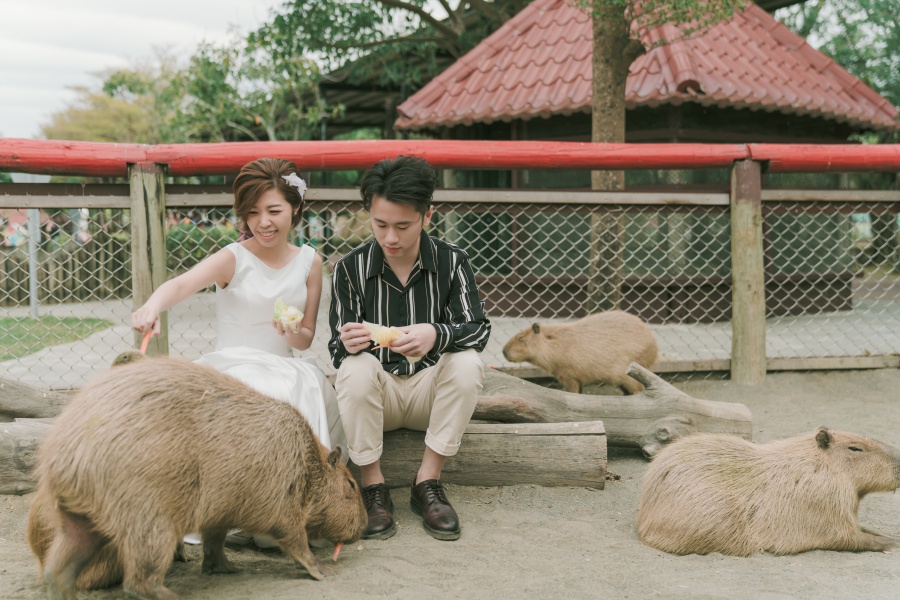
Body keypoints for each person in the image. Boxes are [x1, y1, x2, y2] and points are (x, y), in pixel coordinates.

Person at [132, 158, 346, 546]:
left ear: (295, 209)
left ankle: (283, 519)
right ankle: (230, 515)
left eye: (273, 210)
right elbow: (180, 285)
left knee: (299, 390)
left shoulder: (310, 263)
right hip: (233, 364)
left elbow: (305, 339)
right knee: (251, 394)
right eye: (252, 212)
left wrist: (293, 329)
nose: (263, 222)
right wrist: (152, 306)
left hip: (284, 363)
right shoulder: (234, 257)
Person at [329, 155, 491, 541]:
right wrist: (346, 342)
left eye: (403, 226)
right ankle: (372, 486)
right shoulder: (349, 268)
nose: (390, 238)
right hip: (378, 398)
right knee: (353, 368)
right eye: (380, 224)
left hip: (428, 396)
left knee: (468, 364)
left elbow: (479, 330)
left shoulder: (452, 262)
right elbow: (336, 348)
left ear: (427, 216)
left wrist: (437, 334)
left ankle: (428, 482)